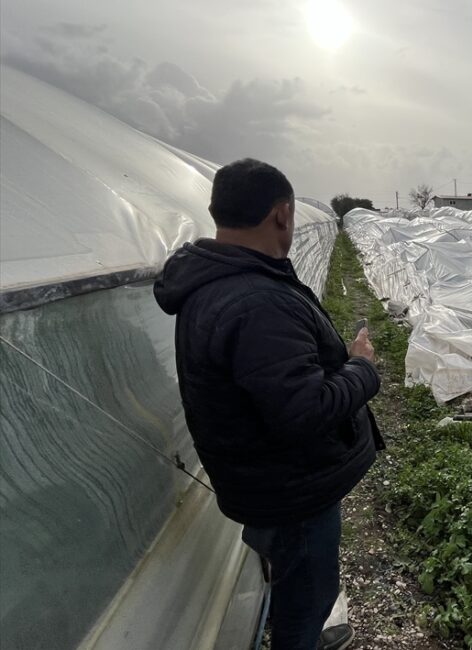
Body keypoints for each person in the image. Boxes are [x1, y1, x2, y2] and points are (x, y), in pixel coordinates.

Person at [154, 158, 383, 650]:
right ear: (282, 214)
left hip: (263, 482)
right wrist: (362, 367)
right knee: (308, 597)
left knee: (292, 579)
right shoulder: (256, 300)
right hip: (291, 495)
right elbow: (303, 413)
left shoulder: (216, 283)